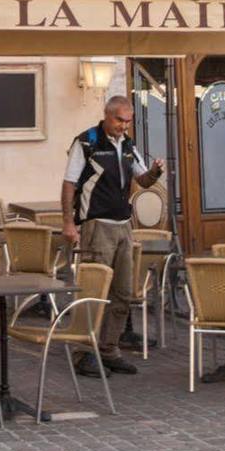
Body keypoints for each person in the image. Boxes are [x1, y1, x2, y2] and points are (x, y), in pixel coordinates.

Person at [62, 95, 164, 374]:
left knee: (123, 291)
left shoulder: (128, 145)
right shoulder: (87, 142)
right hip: (97, 224)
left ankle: (109, 348)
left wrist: (155, 172)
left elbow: (141, 179)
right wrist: (68, 222)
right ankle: (83, 352)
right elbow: (69, 183)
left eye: (128, 121)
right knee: (93, 290)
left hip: (123, 225)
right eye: (119, 120)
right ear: (107, 116)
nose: (124, 126)